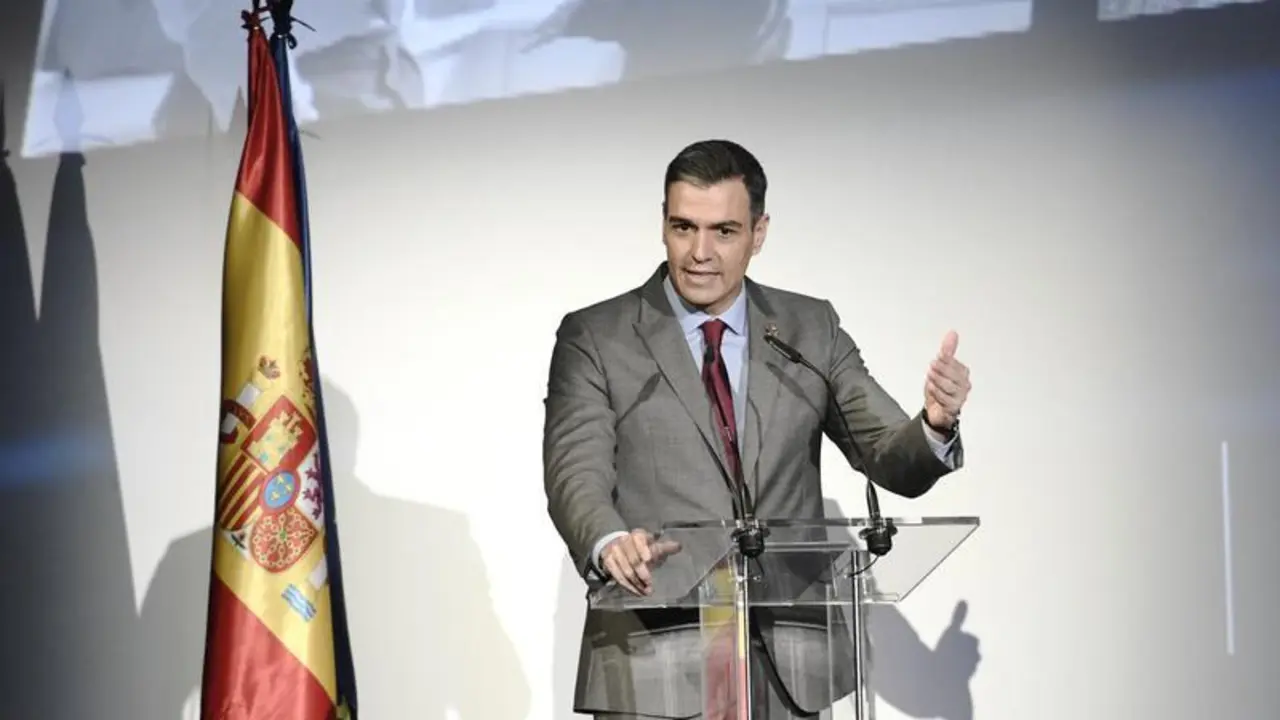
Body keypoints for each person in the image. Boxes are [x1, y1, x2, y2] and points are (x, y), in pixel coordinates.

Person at [542, 139, 971, 719]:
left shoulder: (809, 329)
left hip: (790, 662)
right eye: (683, 227)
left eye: (723, 231)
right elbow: (574, 471)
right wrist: (608, 540)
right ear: (663, 224)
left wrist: (935, 424)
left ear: (758, 233)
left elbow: (887, 452)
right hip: (655, 657)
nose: (700, 252)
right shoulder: (597, 336)